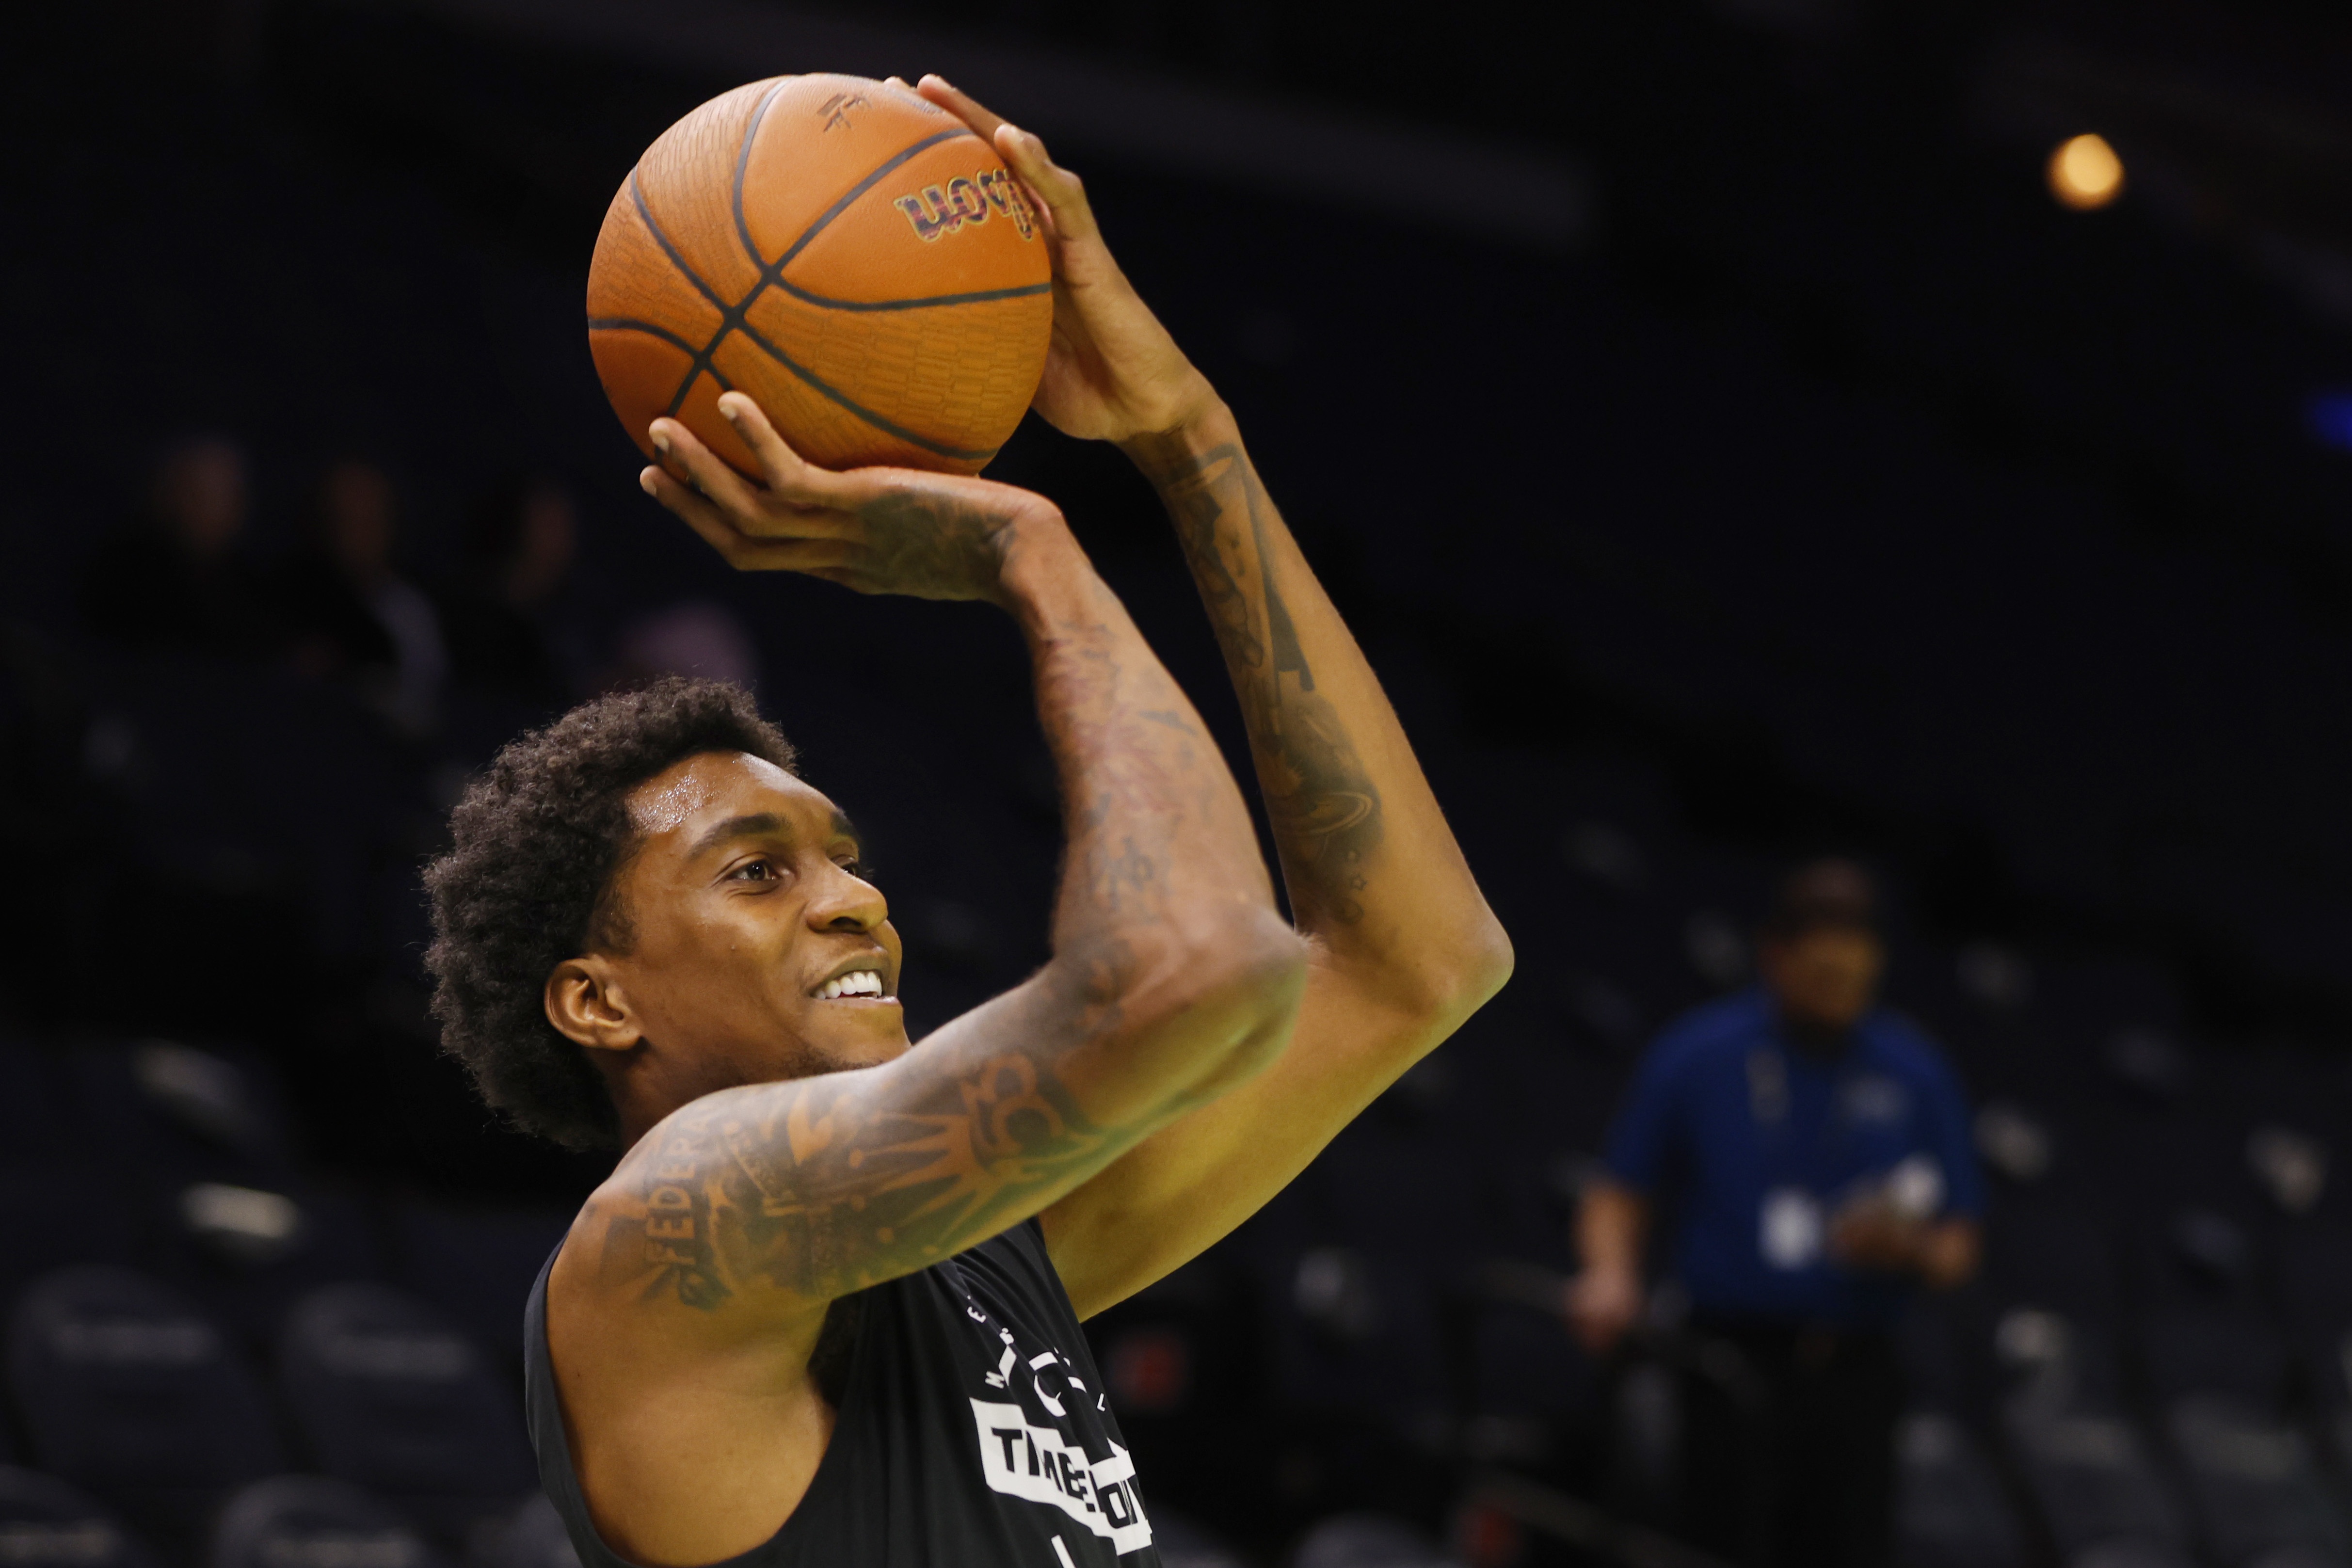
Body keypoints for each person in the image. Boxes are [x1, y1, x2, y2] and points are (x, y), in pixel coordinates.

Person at [420, 76, 1512, 1568]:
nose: (854, 900)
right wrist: (1035, 554)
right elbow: (1208, 966)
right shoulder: (666, 1233)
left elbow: (1419, 963)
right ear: (598, 1001)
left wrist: (1190, 437)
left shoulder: (979, 1258)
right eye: (757, 871)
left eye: (845, 857)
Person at [1565, 858, 1982, 1568]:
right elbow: (1619, 1190)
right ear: (1775, 957)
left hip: (1855, 1367)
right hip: (1729, 1362)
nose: (1838, 993)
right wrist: (1609, 1273)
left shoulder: (1916, 1070)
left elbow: (1958, 1246)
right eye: (1822, 974)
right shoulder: (1697, 1053)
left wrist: (1907, 1249)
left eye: (1853, 977)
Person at [272, 458, 448, 733]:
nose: (356, 531)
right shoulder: (288, 601)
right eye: (344, 518)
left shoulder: (414, 608)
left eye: (369, 518)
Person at [80, 434, 274, 657]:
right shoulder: (129, 575)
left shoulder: (246, 579)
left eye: (229, 495)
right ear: (167, 495)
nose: (218, 509)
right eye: (199, 494)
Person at [437, 476, 581, 705]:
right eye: (549, 525)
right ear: (518, 527)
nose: (564, 536)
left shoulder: (575, 609)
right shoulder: (475, 622)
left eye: (565, 524)